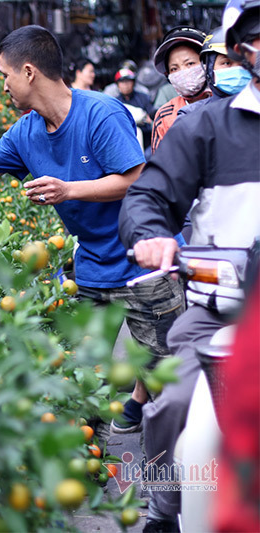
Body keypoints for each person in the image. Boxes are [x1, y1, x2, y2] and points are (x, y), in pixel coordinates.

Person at [0, 24, 184, 431]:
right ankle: (89, 469)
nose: (2, 85)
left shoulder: (99, 113)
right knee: (79, 380)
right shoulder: (25, 134)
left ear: (29, 72)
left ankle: (177, 482)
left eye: (5, 75)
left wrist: (69, 190)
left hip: (144, 261)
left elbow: (135, 179)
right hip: (95, 265)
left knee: (166, 381)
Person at [118, 2, 260, 531]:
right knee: (171, 404)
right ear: (239, 48)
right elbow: (146, 195)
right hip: (216, 316)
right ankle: (162, 507)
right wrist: (152, 235)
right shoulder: (205, 127)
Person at [150, 26, 210, 153]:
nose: (183, 72)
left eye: (190, 64)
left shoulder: (228, 104)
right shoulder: (165, 116)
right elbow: (161, 166)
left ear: (207, 63)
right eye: (174, 69)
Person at [177, 26, 253, 117]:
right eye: (226, 63)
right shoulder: (190, 116)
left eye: (244, 64)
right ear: (209, 68)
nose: (238, 70)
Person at [113, 67, 156, 148]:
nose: (125, 85)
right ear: (118, 85)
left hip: (146, 139)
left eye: (128, 81)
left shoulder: (143, 98)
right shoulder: (115, 102)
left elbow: (151, 118)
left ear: (133, 83)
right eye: (122, 82)